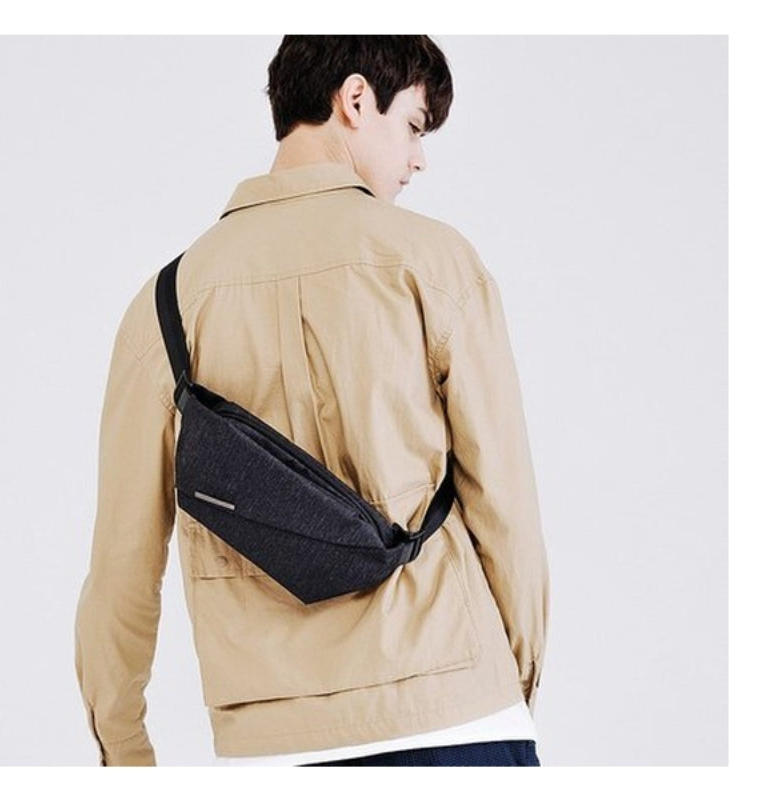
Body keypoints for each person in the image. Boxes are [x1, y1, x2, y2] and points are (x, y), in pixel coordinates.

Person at [74, 35, 550, 768]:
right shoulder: (434, 263)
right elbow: (506, 508)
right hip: (452, 704)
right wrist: (508, 689)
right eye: (414, 126)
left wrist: (124, 749)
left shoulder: (165, 307)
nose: (419, 159)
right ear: (355, 100)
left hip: (271, 736)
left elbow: (121, 566)